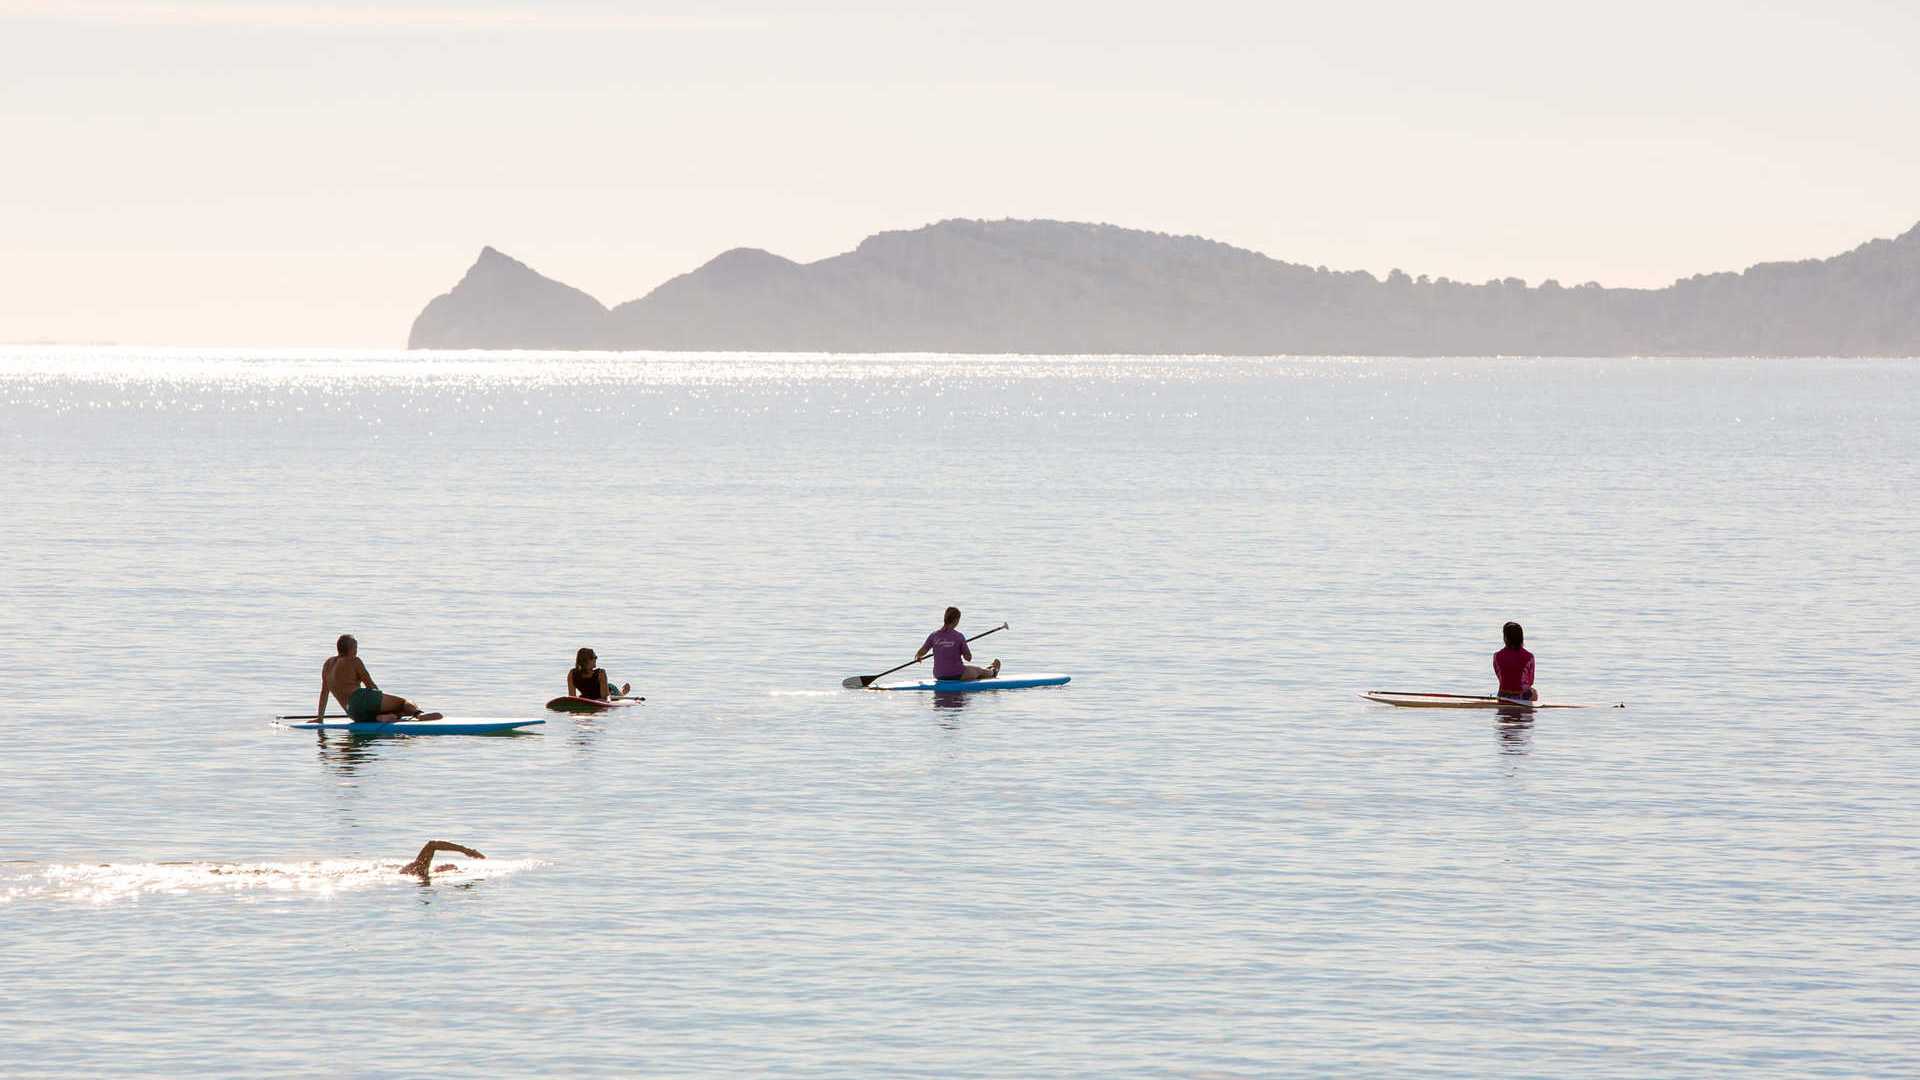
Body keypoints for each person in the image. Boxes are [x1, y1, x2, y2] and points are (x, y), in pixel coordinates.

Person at [318, 634, 440, 723]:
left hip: (353, 713)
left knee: (384, 709)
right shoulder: (354, 661)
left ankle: (380, 717)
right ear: (351, 649)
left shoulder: (327, 664)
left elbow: (324, 693)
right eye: (356, 647)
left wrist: (320, 718)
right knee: (403, 703)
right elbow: (370, 685)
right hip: (361, 698)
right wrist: (380, 698)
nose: (357, 650)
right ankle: (419, 715)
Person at [915, 606, 1001, 682]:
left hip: (939, 675)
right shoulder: (959, 636)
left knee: (972, 671)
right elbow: (968, 658)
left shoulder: (933, 635)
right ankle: (993, 671)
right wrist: (961, 648)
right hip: (958, 674)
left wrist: (918, 656)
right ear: (956, 620)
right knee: (978, 671)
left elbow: (921, 652)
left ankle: (988, 670)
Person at [399, 840, 485, 881]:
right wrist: (466, 850)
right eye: (446, 865)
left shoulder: (419, 869)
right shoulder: (419, 868)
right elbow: (431, 845)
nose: (446, 865)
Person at [1493, 621, 1537, 701]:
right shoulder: (1529, 657)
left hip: (1503, 695)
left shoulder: (1497, 656)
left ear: (1505, 638)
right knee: (1534, 692)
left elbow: (1500, 677)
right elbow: (1530, 681)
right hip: (1522, 696)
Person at [567, 647, 631, 701]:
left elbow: (605, 698)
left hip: (610, 690)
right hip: (589, 695)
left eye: (595, 657)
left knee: (617, 697)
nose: (595, 659)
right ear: (584, 661)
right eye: (593, 657)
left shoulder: (601, 673)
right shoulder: (572, 674)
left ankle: (623, 692)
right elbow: (572, 697)